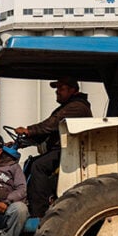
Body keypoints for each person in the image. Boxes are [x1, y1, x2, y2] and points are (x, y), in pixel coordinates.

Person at [15, 76, 92, 217]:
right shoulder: (66, 107)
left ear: (73, 90)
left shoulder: (77, 107)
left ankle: (39, 212)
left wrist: (29, 130)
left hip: (70, 150)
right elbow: (46, 133)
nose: (57, 92)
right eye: (57, 89)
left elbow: (51, 125)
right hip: (62, 149)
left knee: (38, 166)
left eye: (61, 88)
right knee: (30, 162)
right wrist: (22, 141)